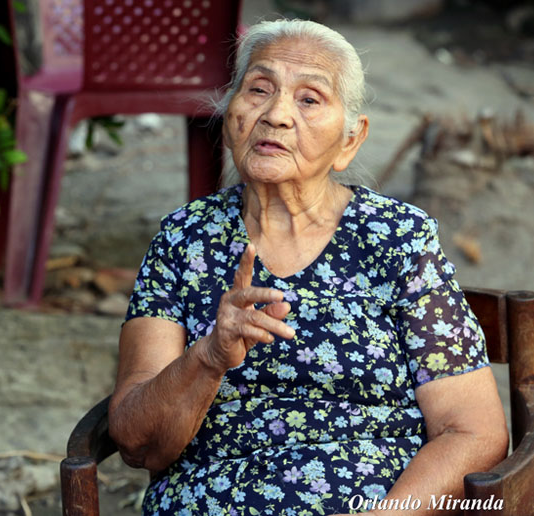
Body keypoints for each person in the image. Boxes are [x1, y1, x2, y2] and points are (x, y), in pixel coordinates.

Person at [107, 19, 508, 515]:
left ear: (350, 140)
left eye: (309, 99)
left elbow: (472, 431)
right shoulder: (182, 240)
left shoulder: (398, 239)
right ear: (229, 114)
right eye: (259, 89)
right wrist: (209, 356)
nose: (276, 115)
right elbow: (137, 445)